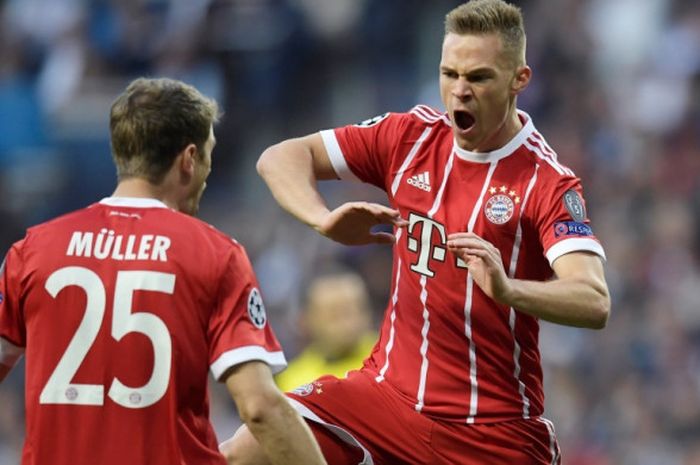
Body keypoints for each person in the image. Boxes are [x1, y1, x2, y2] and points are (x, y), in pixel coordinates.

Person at [223, 0, 611, 464]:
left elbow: (593, 300)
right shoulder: (409, 137)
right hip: (385, 399)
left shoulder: (546, 181)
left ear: (518, 80)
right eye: (450, 74)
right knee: (245, 451)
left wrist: (509, 290)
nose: (459, 92)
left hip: (492, 432)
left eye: (479, 77)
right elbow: (280, 157)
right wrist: (321, 218)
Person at [0, 77, 326, 465]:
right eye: (208, 154)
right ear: (189, 159)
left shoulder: (33, 250)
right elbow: (259, 407)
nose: (207, 170)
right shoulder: (214, 254)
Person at [275, 271, 377, 392]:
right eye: (335, 315)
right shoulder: (293, 384)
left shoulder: (392, 357)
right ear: (305, 320)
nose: (350, 323)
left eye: (356, 310)